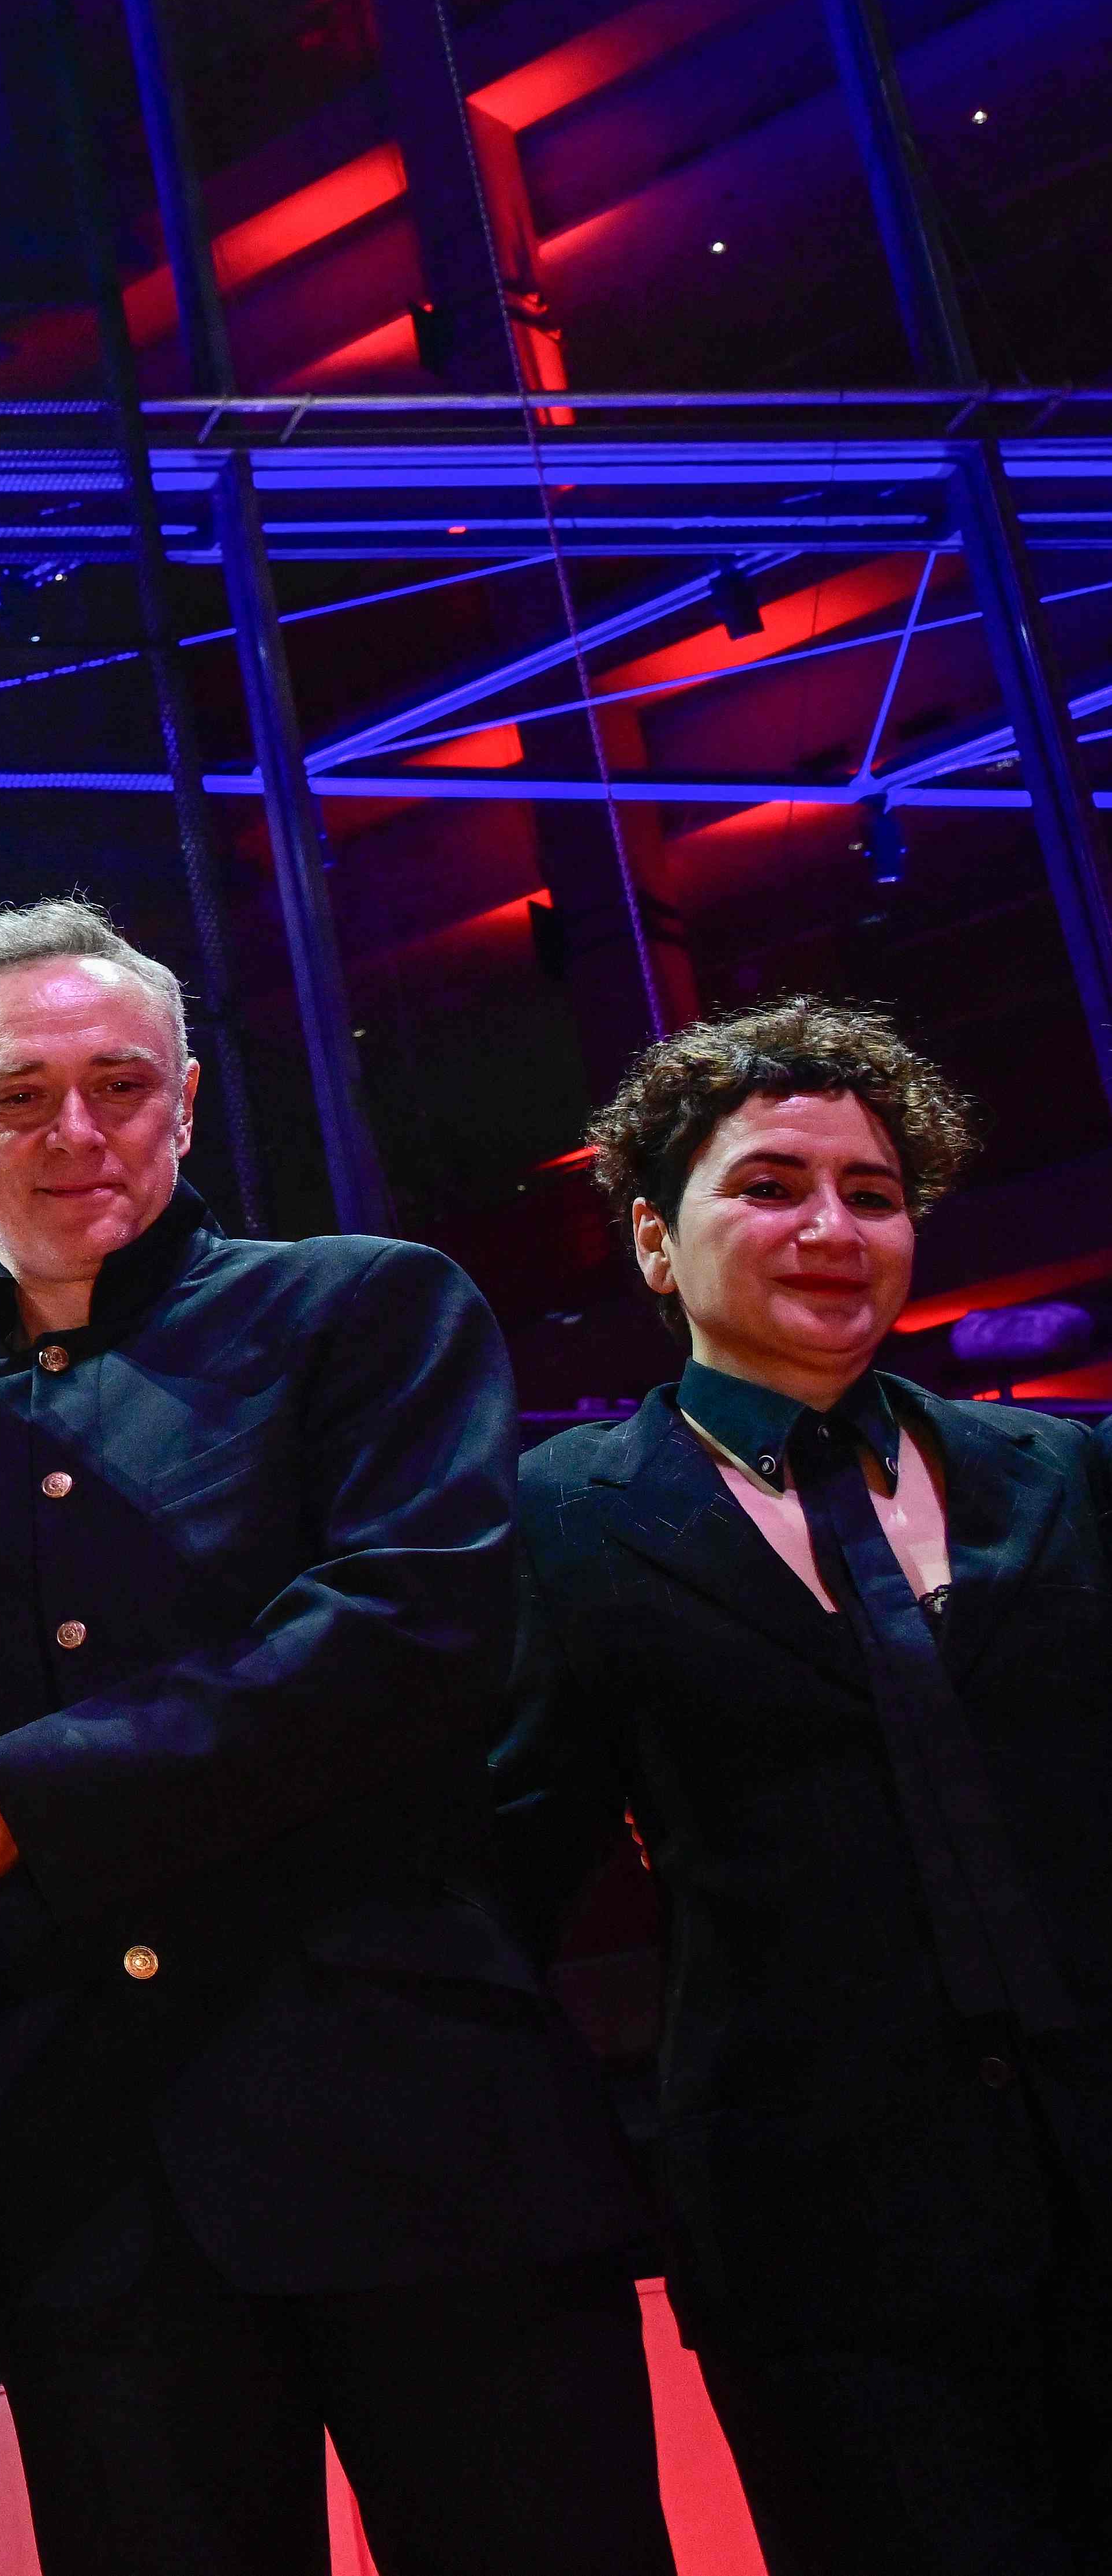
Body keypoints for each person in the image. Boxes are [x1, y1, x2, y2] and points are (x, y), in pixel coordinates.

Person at [0, 896, 669, 2576]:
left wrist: (13, 1800)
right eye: (14, 1099)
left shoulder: (364, 1311)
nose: (77, 1132)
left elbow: (402, 1641)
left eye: (121, 1085)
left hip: (425, 2144)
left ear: (191, 1101)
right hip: (89, 2185)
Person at [497, 1000, 1112, 2575]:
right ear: (655, 1237)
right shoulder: (560, 1523)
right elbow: (504, 1879)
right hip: (820, 2244)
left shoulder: (1064, 1477)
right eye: (770, 1184)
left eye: (874, 1191)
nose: (831, 1226)